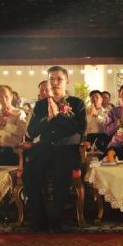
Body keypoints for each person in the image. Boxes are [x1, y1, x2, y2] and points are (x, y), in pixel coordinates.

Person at [24, 66, 86, 232]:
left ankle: (56, 217)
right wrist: (48, 118)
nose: (55, 82)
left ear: (67, 81)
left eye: (59, 79)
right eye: (52, 79)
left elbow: (79, 129)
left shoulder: (76, 103)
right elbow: (31, 132)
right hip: (44, 148)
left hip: (67, 149)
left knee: (61, 172)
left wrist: (59, 116)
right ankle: (39, 217)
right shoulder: (40, 105)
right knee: (29, 172)